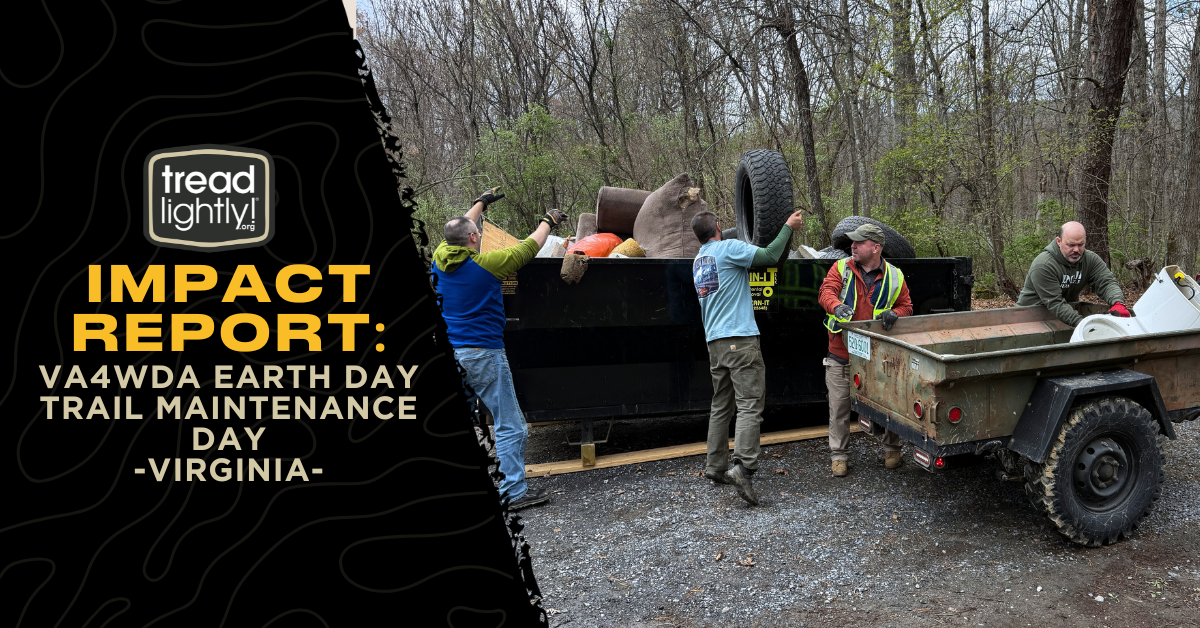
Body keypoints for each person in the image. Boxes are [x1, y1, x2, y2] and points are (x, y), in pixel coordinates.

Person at [432, 187, 567, 510]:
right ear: (473, 238)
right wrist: (548, 221)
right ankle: (514, 492)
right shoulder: (488, 265)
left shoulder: (439, 258)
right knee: (510, 425)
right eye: (476, 232)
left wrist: (481, 203)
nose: (478, 233)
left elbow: (461, 225)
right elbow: (528, 247)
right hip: (483, 354)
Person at [691, 209, 804, 506]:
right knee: (750, 404)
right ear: (718, 227)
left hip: (715, 343)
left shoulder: (699, 261)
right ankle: (743, 468)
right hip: (739, 340)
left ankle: (715, 466)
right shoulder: (728, 248)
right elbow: (769, 256)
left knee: (721, 405)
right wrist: (787, 227)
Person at [818, 224, 912, 477]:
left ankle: (892, 451)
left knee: (890, 405)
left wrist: (895, 314)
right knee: (839, 407)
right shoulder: (841, 268)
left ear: (875, 247)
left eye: (859, 242)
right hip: (841, 353)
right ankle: (839, 456)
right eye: (853, 242)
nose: (853, 246)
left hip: (878, 356)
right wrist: (836, 306)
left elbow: (906, 306)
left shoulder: (895, 276)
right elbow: (825, 292)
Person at [1015, 221, 1130, 326]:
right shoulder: (1044, 264)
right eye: (1071, 245)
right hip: (1028, 319)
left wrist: (1118, 303)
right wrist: (1084, 325)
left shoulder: (1090, 260)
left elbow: (1106, 282)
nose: (1076, 250)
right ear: (1059, 241)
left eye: (1081, 244)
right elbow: (1055, 303)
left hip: (1066, 316)